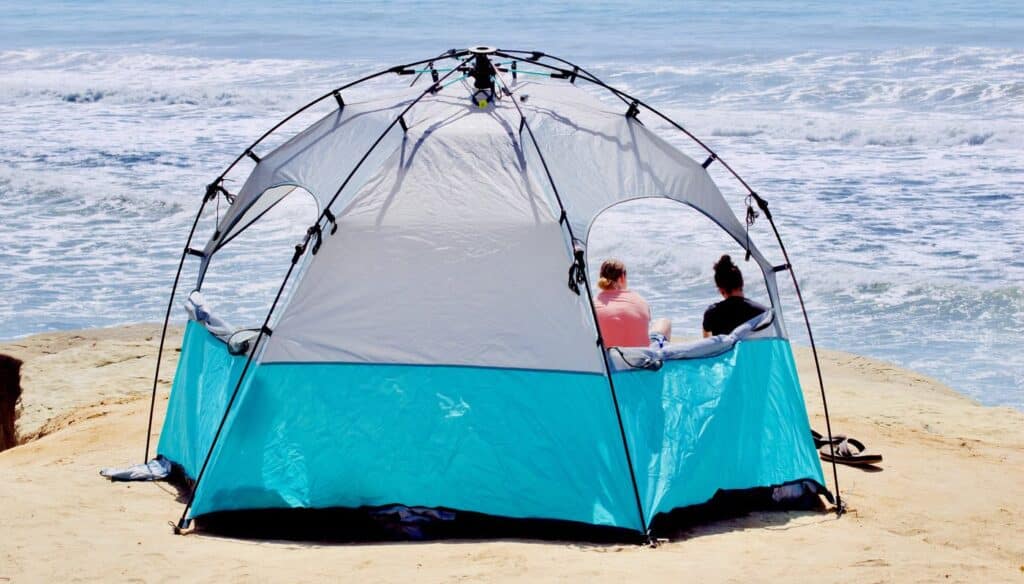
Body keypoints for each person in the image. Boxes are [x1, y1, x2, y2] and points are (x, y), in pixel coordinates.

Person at [593, 259, 672, 347]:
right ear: (622, 277)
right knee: (664, 322)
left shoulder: (592, 306)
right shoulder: (639, 300)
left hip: (608, 357)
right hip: (641, 357)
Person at [702, 254, 767, 337]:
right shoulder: (762, 312)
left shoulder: (711, 313)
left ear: (721, 290)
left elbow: (707, 341)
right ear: (742, 284)